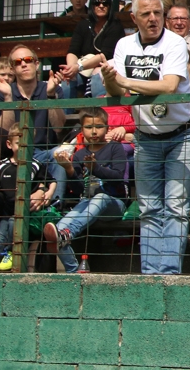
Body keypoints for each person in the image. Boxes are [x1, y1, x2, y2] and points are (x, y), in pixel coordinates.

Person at [100, 0, 190, 275]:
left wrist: (123, 79)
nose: (153, 19)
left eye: (158, 13)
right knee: (149, 209)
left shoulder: (175, 43)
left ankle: (167, 274)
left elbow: (168, 86)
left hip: (182, 135)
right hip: (146, 137)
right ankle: (149, 275)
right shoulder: (123, 45)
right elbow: (116, 90)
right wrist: (110, 80)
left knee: (176, 207)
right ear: (134, 18)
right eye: (146, 14)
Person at [43, 108, 129, 272]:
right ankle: (73, 270)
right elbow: (78, 189)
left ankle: (69, 233)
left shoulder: (115, 148)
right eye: (89, 127)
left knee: (101, 198)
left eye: (99, 126)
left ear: (107, 127)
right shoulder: (80, 154)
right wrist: (69, 170)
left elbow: (118, 178)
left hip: (114, 204)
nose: (94, 131)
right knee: (59, 230)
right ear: (82, 130)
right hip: (87, 202)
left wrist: (95, 168)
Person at [0, 46, 66, 203]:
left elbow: (59, 126)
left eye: (28, 60)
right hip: (13, 154)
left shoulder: (52, 88)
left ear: (37, 64)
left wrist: (50, 95)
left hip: (44, 152)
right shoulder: (3, 91)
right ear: (13, 68)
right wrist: (7, 98)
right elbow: (4, 133)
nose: (24, 64)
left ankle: (54, 207)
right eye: (18, 62)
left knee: (59, 154)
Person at [0, 125, 55, 272]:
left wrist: (48, 193)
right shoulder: (2, 166)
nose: (23, 148)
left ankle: (11, 254)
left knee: (13, 228)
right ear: (9, 144)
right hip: (7, 212)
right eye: (18, 144)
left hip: (27, 213)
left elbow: (51, 180)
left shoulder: (34, 165)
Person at [59, 0, 123, 98]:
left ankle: (99, 112)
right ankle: (66, 113)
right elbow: (73, 51)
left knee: (98, 73)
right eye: (97, 3)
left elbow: (105, 55)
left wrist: (78, 67)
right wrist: (71, 68)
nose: (101, 6)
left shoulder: (115, 26)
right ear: (92, 6)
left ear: (110, 6)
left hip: (106, 66)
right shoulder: (83, 25)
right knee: (67, 79)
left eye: (105, 3)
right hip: (83, 68)